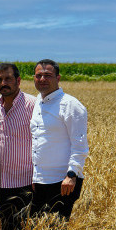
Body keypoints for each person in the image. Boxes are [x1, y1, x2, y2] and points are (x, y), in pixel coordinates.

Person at [30, 59, 89, 220]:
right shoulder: (37, 102)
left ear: (58, 78)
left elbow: (80, 145)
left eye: (48, 75)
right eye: (39, 75)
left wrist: (71, 175)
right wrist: (35, 176)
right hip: (40, 180)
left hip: (62, 181)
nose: (42, 79)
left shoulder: (70, 105)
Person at [0, 63, 36, 230]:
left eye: (8, 79)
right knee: (8, 228)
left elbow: (41, 140)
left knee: (29, 229)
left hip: (27, 180)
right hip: (2, 181)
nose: (3, 83)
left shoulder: (32, 104)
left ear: (18, 81)